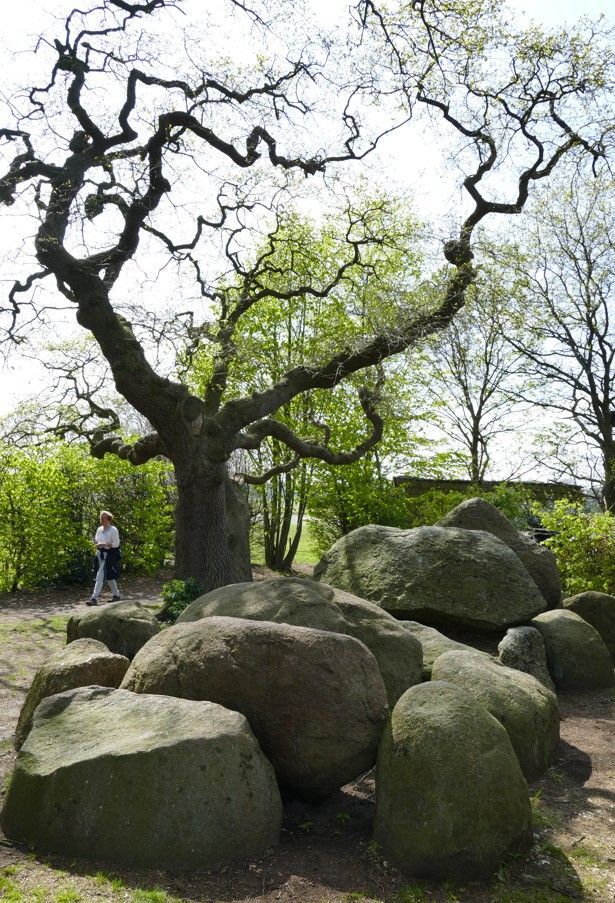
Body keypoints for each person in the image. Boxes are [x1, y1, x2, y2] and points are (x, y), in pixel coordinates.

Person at [88, 510, 122, 605]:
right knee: (109, 577)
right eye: (100, 517)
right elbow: (96, 540)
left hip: (110, 555)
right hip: (100, 554)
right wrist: (97, 544)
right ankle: (116, 595)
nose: (101, 519)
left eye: (103, 517)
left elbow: (116, 544)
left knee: (100, 575)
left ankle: (94, 598)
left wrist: (104, 544)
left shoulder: (113, 530)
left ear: (108, 519)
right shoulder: (99, 529)